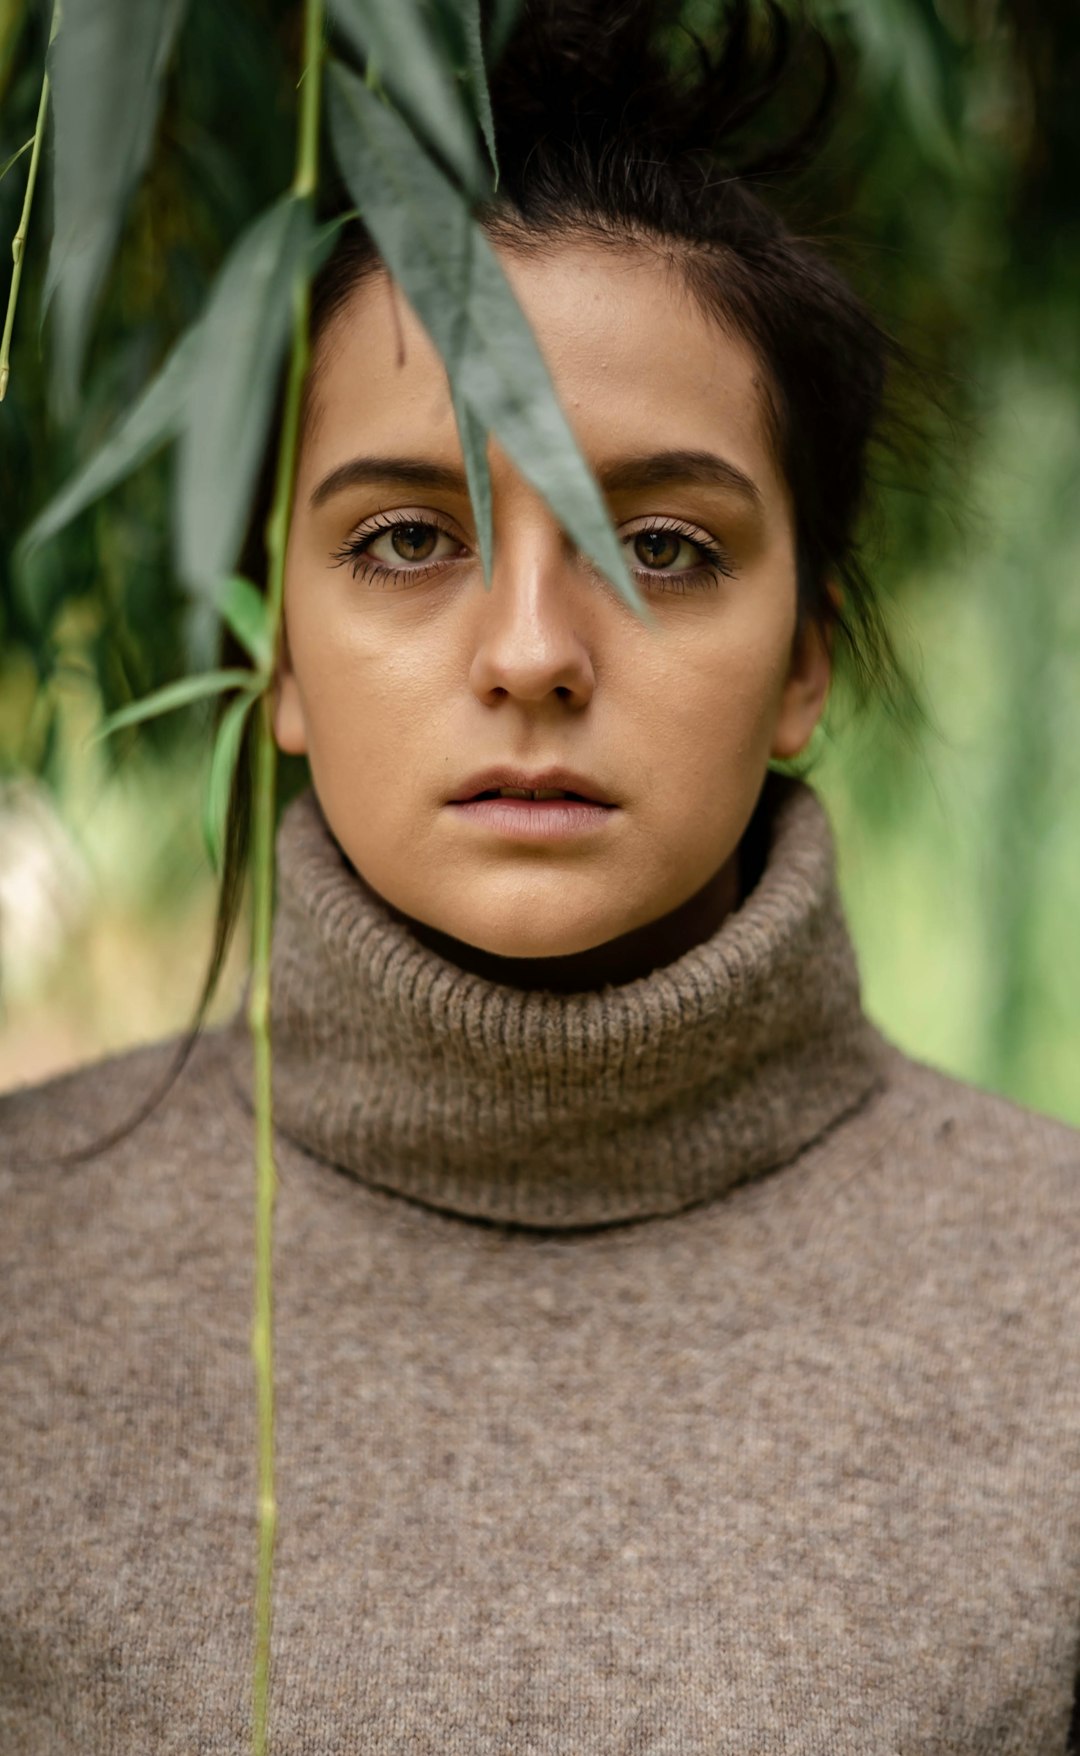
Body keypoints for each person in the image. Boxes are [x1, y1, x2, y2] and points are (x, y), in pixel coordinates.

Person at [3, 1, 1079, 1750]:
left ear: (807, 657)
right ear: (270, 648)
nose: (530, 653)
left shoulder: (1054, 1307)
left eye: (658, 545)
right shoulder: (24, 1268)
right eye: (408, 538)